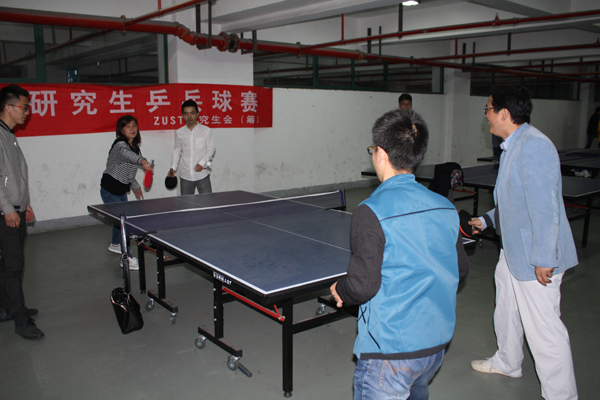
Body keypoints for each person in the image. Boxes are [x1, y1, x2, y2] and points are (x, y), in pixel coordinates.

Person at [330, 109, 466, 400]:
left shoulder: (371, 210)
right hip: (434, 348)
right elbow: (460, 269)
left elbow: (362, 286)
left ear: (380, 153)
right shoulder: (445, 206)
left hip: (390, 353)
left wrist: (340, 289)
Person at [469, 85, 578, 400]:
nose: (486, 115)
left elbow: (545, 208)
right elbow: (515, 200)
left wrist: (544, 257)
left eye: (488, 109)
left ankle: (562, 396)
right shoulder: (511, 146)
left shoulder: (534, 147)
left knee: (545, 332)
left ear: (504, 113)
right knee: (506, 310)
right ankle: (508, 361)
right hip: (513, 251)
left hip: (536, 257)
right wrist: (488, 220)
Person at [0, 84, 44, 340]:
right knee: (13, 266)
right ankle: (20, 319)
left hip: (15, 208)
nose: (28, 112)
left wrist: (24, 204)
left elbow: (15, 175)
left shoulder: (9, 134)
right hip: (5, 212)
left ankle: (6, 307)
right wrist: (8, 209)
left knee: (8, 263)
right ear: (8, 107)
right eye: (24, 107)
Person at [100, 115, 153, 271]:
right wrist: (143, 161)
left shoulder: (135, 147)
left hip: (121, 190)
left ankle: (116, 244)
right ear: (121, 130)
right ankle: (127, 258)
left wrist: (135, 186)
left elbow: (129, 173)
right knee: (124, 223)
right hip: (109, 190)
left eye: (134, 125)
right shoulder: (120, 145)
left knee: (121, 220)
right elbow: (128, 156)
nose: (132, 129)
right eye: (128, 126)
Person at [168, 100, 216, 195]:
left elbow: (211, 149)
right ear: (183, 115)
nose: (189, 116)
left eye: (192, 113)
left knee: (208, 202)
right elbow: (177, 150)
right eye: (186, 114)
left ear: (197, 114)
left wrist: (202, 163)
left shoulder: (206, 131)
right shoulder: (179, 132)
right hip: (185, 176)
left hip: (202, 175)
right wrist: (173, 168)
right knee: (186, 203)